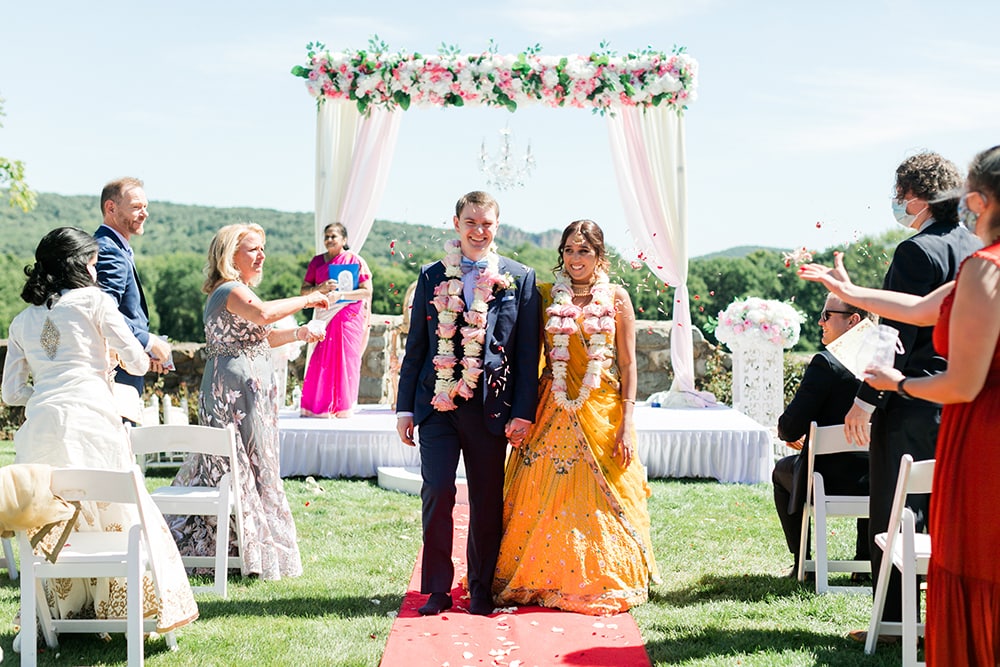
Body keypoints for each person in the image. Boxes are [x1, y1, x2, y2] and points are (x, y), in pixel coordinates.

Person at [801, 145, 1000, 665]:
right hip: (955, 410)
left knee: (902, 514)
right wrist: (848, 290)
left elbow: (906, 335)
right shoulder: (971, 259)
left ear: (978, 200)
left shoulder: (959, 261)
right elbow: (917, 308)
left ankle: (897, 625)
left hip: (954, 408)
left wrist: (884, 391)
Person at [1, 227, 197, 633]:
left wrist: (50, 385)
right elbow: (139, 363)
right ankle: (123, 612)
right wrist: (106, 363)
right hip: (93, 423)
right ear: (79, 265)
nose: (95, 269)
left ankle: (57, 617)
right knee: (117, 511)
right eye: (92, 262)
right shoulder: (94, 301)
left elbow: (12, 392)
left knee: (56, 520)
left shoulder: (22, 321)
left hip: (41, 430)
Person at [831, 152, 980, 638]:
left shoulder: (917, 251)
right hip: (966, 397)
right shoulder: (977, 248)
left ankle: (895, 621)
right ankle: (948, 617)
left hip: (914, 400)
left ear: (917, 196)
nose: (897, 202)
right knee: (952, 509)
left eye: (900, 193)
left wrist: (865, 399)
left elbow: (896, 330)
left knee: (898, 509)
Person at [493, 219, 659, 615]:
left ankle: (600, 577)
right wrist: (522, 412)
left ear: (600, 255)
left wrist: (627, 422)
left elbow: (628, 364)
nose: (575, 258)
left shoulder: (616, 298)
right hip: (552, 404)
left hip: (601, 406)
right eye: (568, 250)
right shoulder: (548, 295)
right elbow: (529, 356)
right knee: (542, 494)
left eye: (584, 250)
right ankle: (539, 577)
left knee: (602, 495)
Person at [395, 191, 541, 616]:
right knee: (438, 490)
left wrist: (523, 411)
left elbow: (527, 352)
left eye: (487, 224)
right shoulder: (431, 275)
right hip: (436, 405)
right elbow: (417, 346)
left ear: (497, 227)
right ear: (455, 224)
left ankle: (480, 587)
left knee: (486, 499)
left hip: (490, 408)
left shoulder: (519, 277)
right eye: (471, 222)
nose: (479, 231)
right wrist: (405, 408)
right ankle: (438, 589)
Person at [169, 223, 330, 581]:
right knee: (235, 466)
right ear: (230, 256)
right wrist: (309, 298)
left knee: (259, 465)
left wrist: (301, 333)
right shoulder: (229, 289)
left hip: (252, 393)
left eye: (263, 248)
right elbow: (264, 315)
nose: (262, 256)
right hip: (232, 396)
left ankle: (253, 550)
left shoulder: (238, 293)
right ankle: (234, 549)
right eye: (254, 249)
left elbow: (264, 336)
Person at [772, 294, 871, 579]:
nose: (820, 321)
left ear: (853, 320)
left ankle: (802, 561)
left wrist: (789, 433)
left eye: (827, 315)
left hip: (825, 481)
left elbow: (789, 426)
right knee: (867, 461)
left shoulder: (826, 364)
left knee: (781, 471)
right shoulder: (887, 367)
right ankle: (864, 563)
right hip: (881, 480)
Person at [93, 177, 173, 396]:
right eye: (136, 207)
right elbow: (104, 313)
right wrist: (147, 341)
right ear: (111, 208)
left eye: (145, 207)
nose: (145, 213)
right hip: (117, 371)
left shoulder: (113, 246)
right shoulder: (109, 251)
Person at [299, 222, 373, 418]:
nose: (329, 240)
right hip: (325, 313)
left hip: (348, 316)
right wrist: (321, 288)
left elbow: (367, 291)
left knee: (346, 358)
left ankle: (342, 408)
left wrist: (341, 296)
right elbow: (304, 291)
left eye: (334, 236)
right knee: (321, 356)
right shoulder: (316, 262)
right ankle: (319, 407)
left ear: (344, 240)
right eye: (326, 236)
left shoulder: (354, 261)